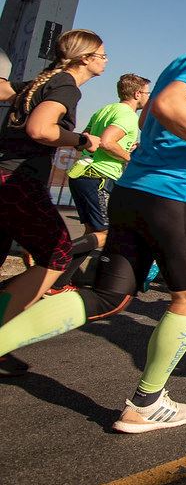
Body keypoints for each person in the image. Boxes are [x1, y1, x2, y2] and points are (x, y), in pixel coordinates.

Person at [0, 3, 186, 429]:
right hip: (174, 195)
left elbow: (146, 114)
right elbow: (167, 105)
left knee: (107, 295)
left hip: (132, 191)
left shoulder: (183, 60)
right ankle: (146, 403)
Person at [0, 30, 106, 374]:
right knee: (57, 254)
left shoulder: (42, 81)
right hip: (18, 180)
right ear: (85, 59)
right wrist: (81, 139)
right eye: (102, 55)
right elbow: (40, 129)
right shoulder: (66, 85)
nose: (105, 60)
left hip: (5, 174)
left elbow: (7, 91)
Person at [55, 73, 150, 290]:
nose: (147, 98)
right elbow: (107, 142)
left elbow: (85, 141)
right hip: (98, 176)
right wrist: (129, 158)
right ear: (137, 94)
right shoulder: (128, 116)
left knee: (92, 231)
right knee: (104, 233)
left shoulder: (104, 110)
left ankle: (61, 281)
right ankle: (51, 261)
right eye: (146, 93)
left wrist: (123, 148)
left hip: (82, 173)